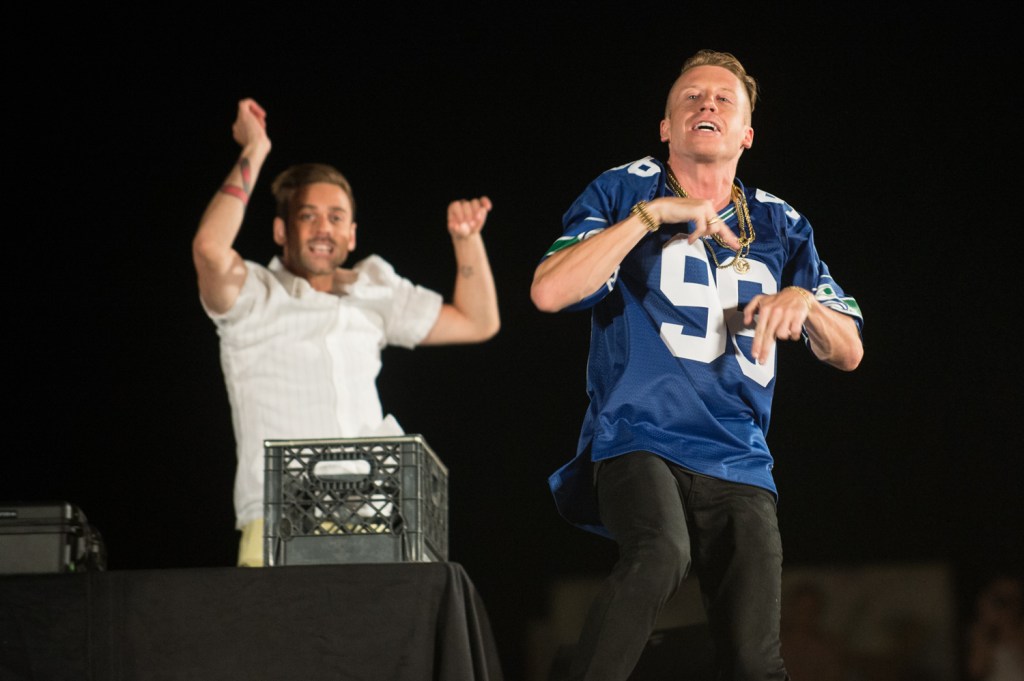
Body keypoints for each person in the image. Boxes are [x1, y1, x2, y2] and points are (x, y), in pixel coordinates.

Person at [530, 49, 864, 680]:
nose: (706, 103)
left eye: (723, 99)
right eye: (691, 96)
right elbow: (550, 291)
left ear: (746, 134)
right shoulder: (626, 188)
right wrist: (651, 216)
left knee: (755, 658)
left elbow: (848, 351)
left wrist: (803, 303)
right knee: (659, 554)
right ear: (665, 127)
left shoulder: (781, 223)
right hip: (639, 432)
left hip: (739, 453)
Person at [193, 98, 500, 567]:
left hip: (370, 514)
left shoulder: (373, 289)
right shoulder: (253, 294)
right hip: (279, 516)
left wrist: (466, 240)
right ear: (281, 230)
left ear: (352, 234)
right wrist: (254, 148)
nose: (323, 228)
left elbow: (478, 322)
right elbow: (210, 247)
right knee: (276, 639)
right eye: (307, 215)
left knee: (376, 641)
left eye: (336, 217)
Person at [967, 575, 1024, 681]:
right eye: (1001, 600)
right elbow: (977, 671)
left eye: (1013, 599)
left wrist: (1010, 629)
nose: (1007, 606)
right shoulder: (983, 631)